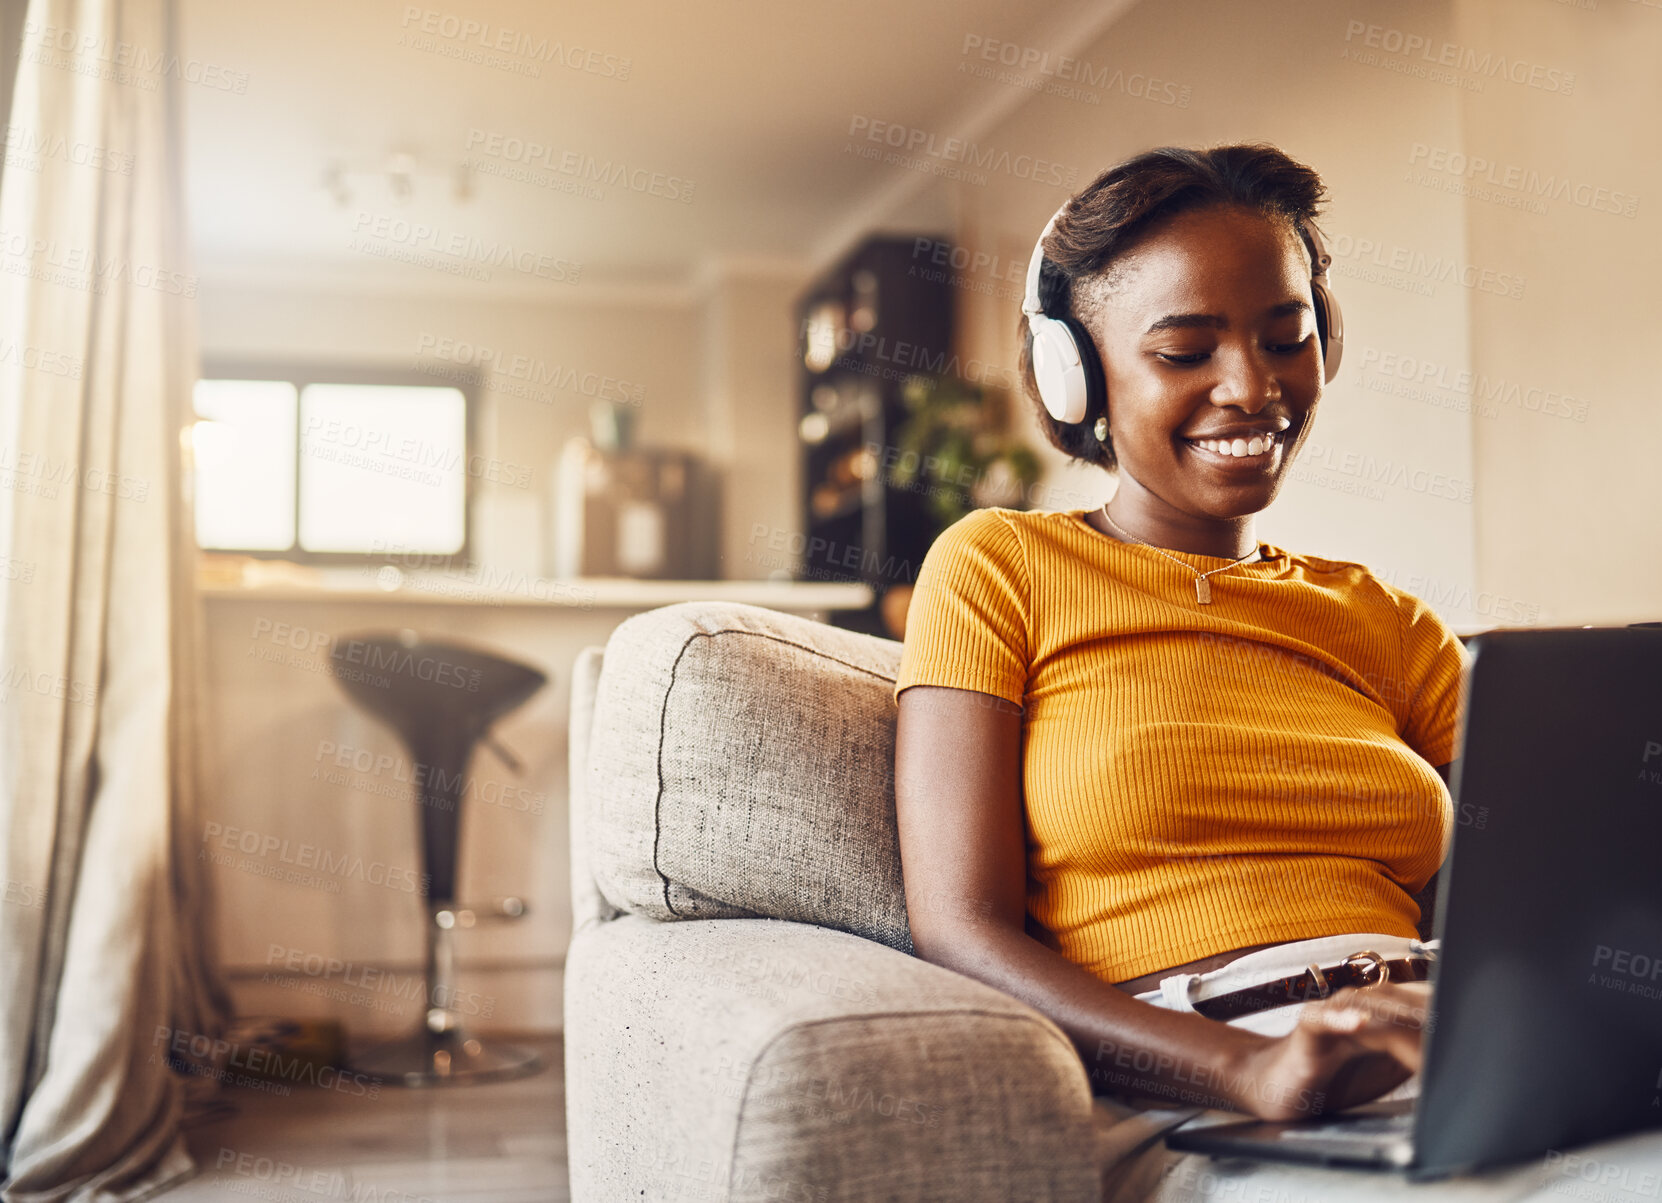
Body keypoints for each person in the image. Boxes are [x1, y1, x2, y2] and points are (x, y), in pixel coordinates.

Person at [891, 144, 1467, 1141]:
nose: (1253, 386)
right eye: (1186, 351)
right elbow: (960, 930)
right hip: (1205, 1071)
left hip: (1444, 1044)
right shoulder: (999, 565)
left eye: (1286, 336)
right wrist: (1254, 1070)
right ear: (1080, 379)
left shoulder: (1389, 620)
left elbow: (1548, 885)